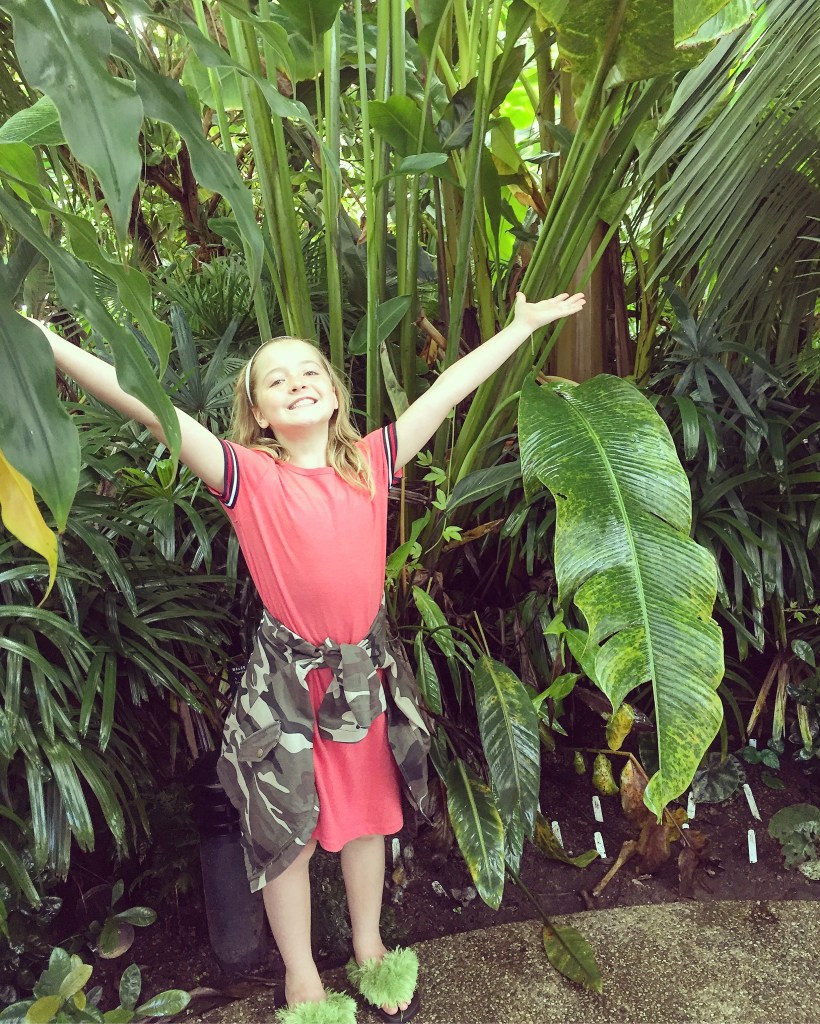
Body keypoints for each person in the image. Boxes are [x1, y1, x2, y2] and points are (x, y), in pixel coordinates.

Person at [40, 289, 585, 1024]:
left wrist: (519, 328)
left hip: (363, 683)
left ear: (333, 395)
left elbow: (448, 390)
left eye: (310, 372)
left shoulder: (371, 461)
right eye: (276, 379)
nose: (296, 382)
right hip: (287, 693)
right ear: (259, 413)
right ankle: (301, 977)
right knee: (285, 837)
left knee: (367, 823)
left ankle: (369, 946)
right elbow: (147, 403)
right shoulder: (245, 475)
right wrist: (47, 341)